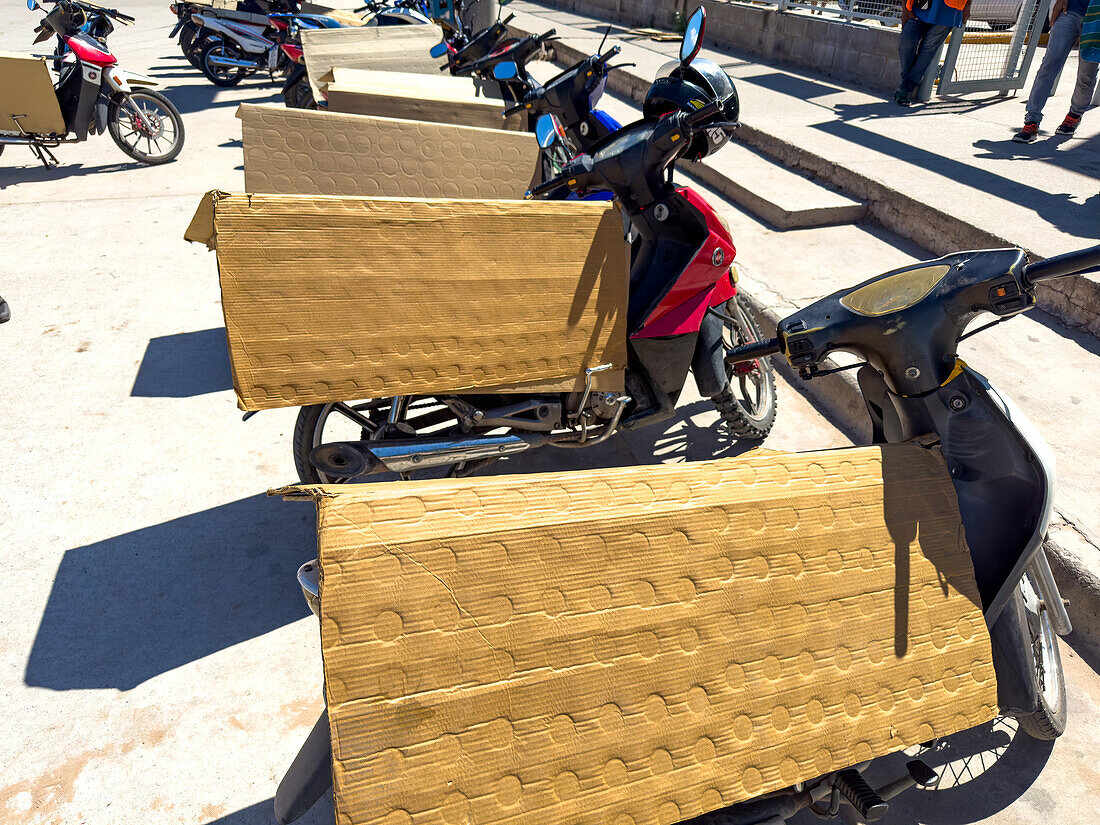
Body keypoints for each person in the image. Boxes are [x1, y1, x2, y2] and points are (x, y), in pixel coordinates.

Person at [1015, 0, 1100, 142]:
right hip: (1070, 11)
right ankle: (1031, 121)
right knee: (1049, 65)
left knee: (1087, 74)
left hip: (1096, 18)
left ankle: (1074, 115)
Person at [894, 0, 972, 106]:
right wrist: (907, 13)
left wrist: (967, 6)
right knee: (905, 42)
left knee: (928, 49)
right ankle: (912, 77)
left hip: (948, 11)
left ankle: (905, 88)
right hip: (919, 8)